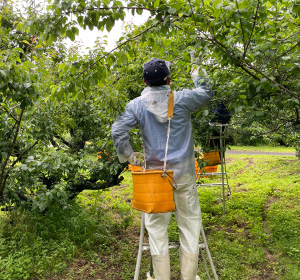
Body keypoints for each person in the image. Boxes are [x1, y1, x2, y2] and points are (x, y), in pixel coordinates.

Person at [111, 57, 214, 280]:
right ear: (169, 78)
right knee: (189, 225)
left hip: (155, 179)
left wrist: (130, 155)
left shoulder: (136, 104)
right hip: (184, 175)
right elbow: (206, 92)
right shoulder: (182, 98)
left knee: (157, 230)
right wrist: (197, 70)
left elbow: (118, 130)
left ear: (145, 81)